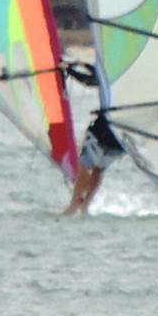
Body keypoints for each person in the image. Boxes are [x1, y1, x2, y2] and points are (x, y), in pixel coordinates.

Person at [59, 60, 124, 215]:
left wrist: (71, 71)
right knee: (98, 169)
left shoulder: (112, 75)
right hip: (122, 135)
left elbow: (92, 80)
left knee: (85, 166)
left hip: (103, 130)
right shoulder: (126, 76)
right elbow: (98, 73)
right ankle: (85, 205)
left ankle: (74, 205)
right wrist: (81, 64)